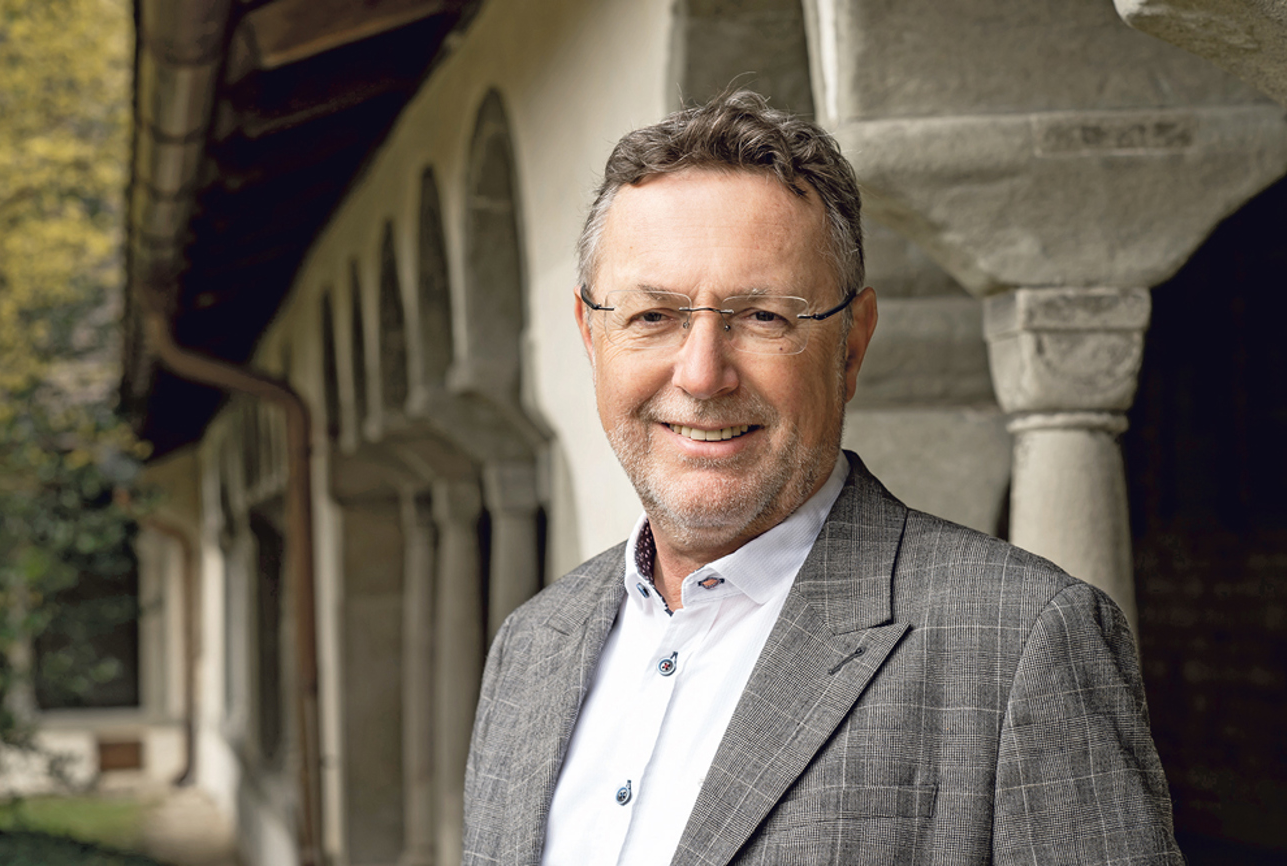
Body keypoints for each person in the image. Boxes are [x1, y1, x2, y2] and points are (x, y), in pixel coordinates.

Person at [462, 91, 1182, 866]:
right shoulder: (531, 647)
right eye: (653, 317)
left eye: (763, 317)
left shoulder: (1023, 645)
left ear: (851, 344)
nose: (701, 375)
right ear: (590, 334)